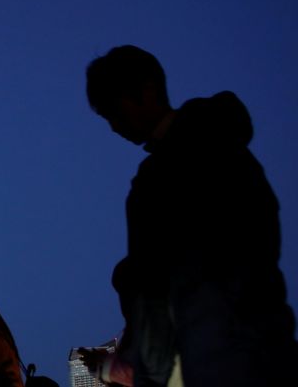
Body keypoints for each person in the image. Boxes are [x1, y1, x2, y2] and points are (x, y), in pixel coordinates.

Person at [86, 45, 298, 386]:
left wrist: (149, 373)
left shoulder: (156, 180)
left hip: (211, 351)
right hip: (268, 339)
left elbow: (152, 285)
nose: (113, 125)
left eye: (114, 110)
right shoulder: (232, 149)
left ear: (147, 91)